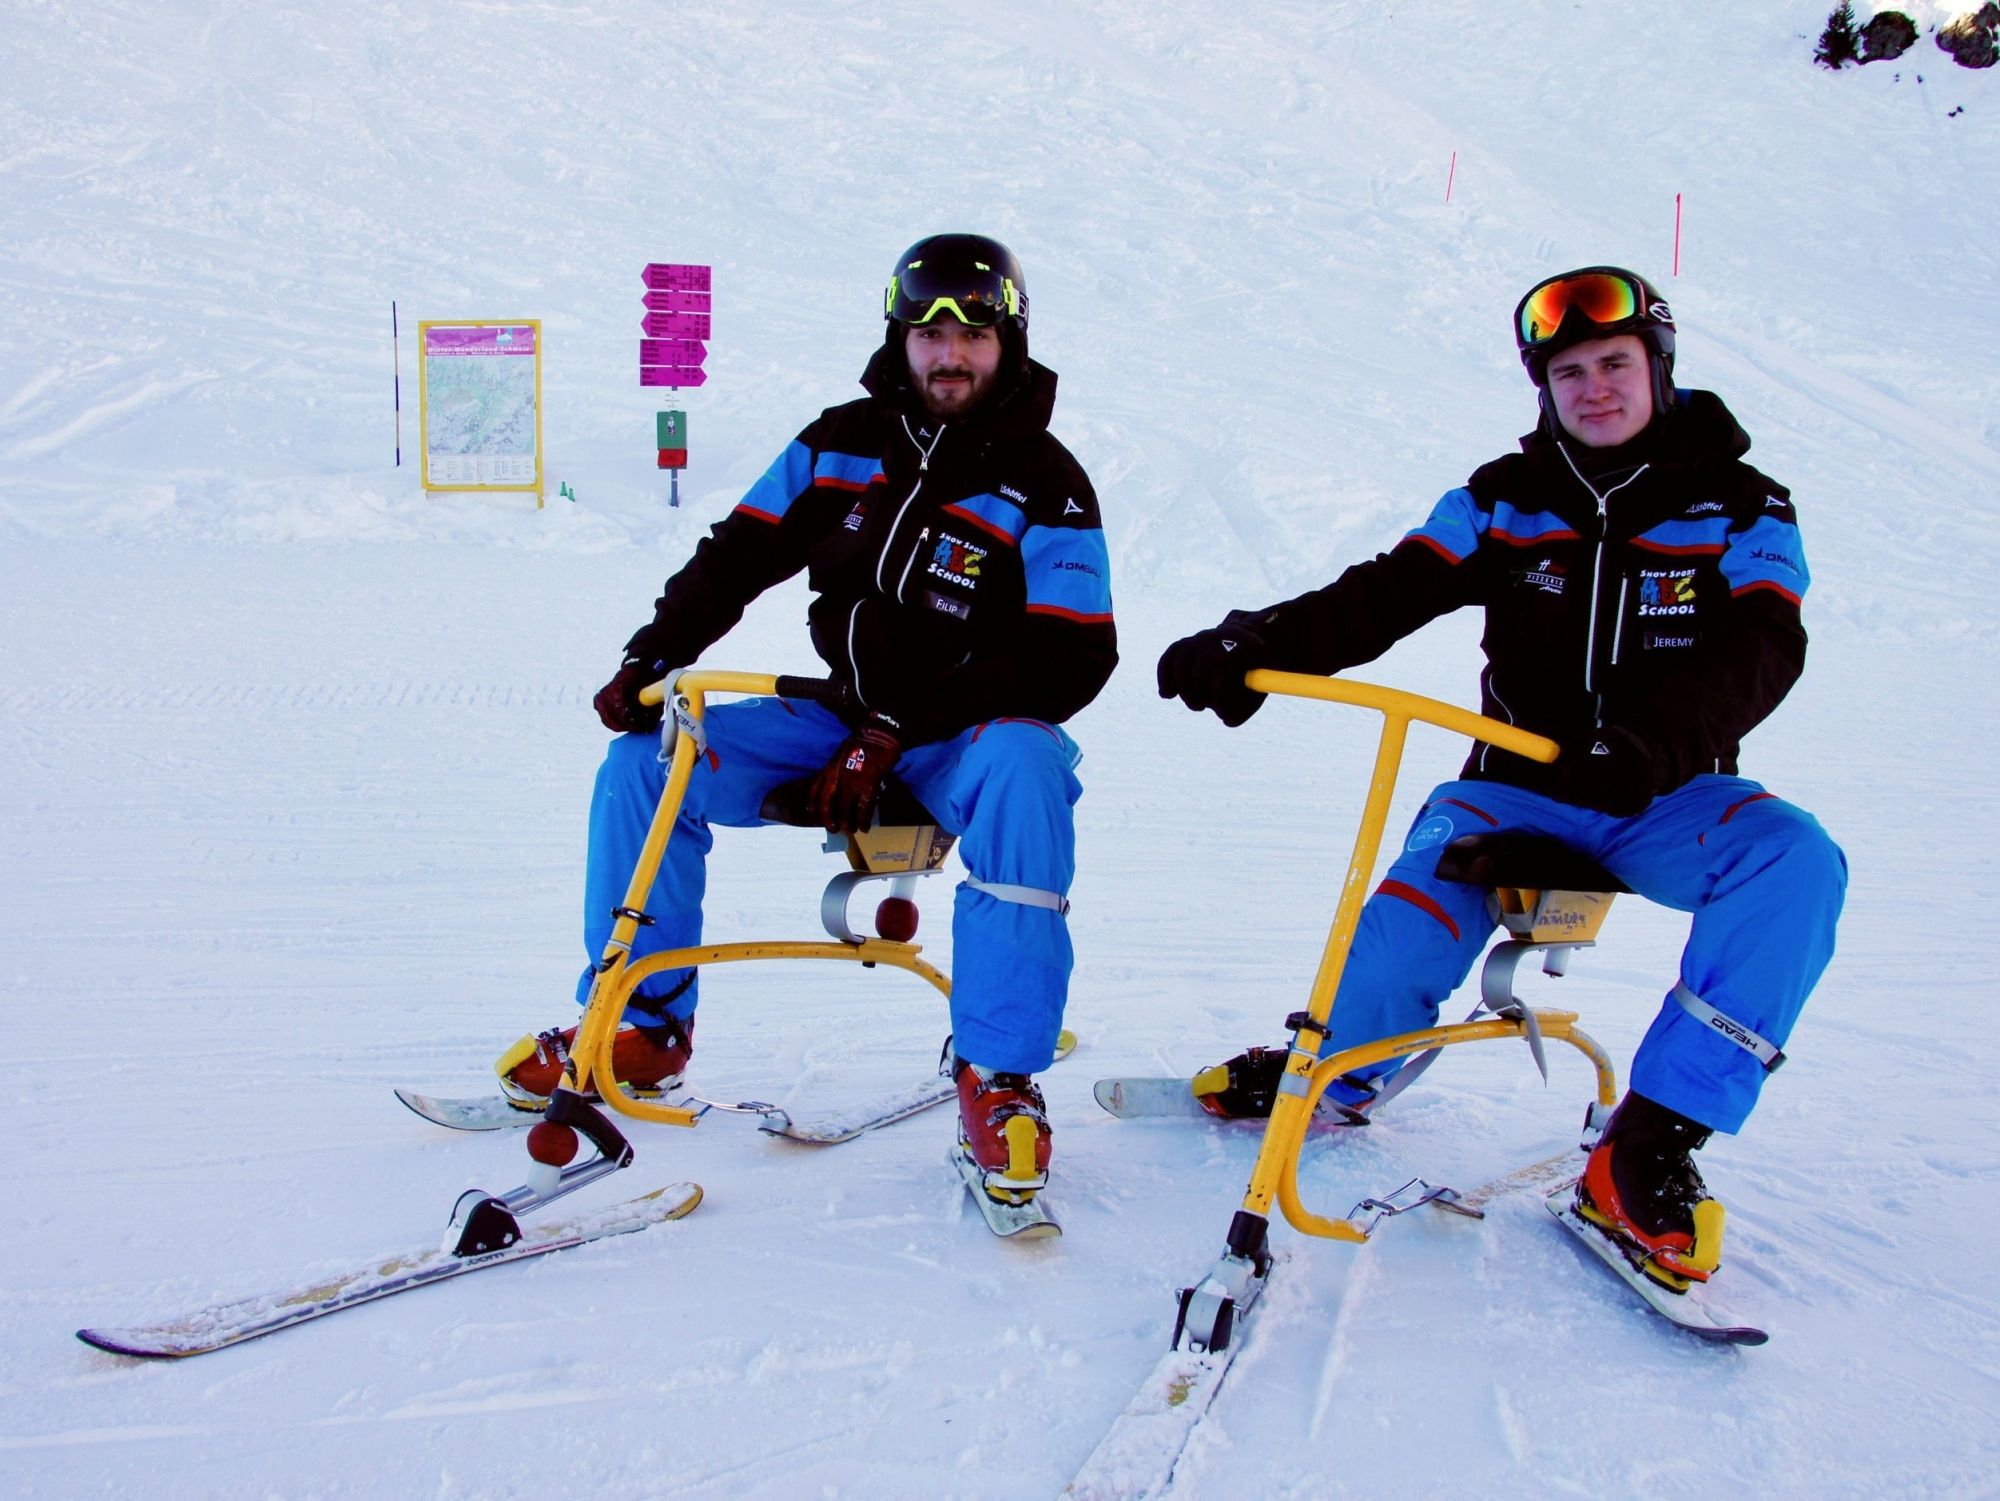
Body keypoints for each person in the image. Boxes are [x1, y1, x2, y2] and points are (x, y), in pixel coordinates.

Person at [1156, 266, 1846, 1289]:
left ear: (1655, 368)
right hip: (1513, 780)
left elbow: (1761, 643)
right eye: (1567, 371)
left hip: (1666, 792)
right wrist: (1255, 640)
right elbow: (1385, 592)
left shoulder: (1741, 504)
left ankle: (1649, 1142)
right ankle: (1339, 1070)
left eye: (1613, 364)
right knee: (1405, 909)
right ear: (1543, 387)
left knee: (1795, 864)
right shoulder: (1500, 499)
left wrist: (1653, 743)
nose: (1593, 388)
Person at [496, 234, 1116, 1209]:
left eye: (972, 333)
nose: (946, 354)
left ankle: (997, 1075)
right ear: (899, 337)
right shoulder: (841, 440)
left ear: (1009, 338)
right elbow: (736, 555)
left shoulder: (1047, 482)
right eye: (925, 333)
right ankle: (639, 1025)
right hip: (837, 719)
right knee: (646, 764)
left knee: (1029, 764)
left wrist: (901, 727)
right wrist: (651, 653)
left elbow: (1072, 655)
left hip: (962, 737)